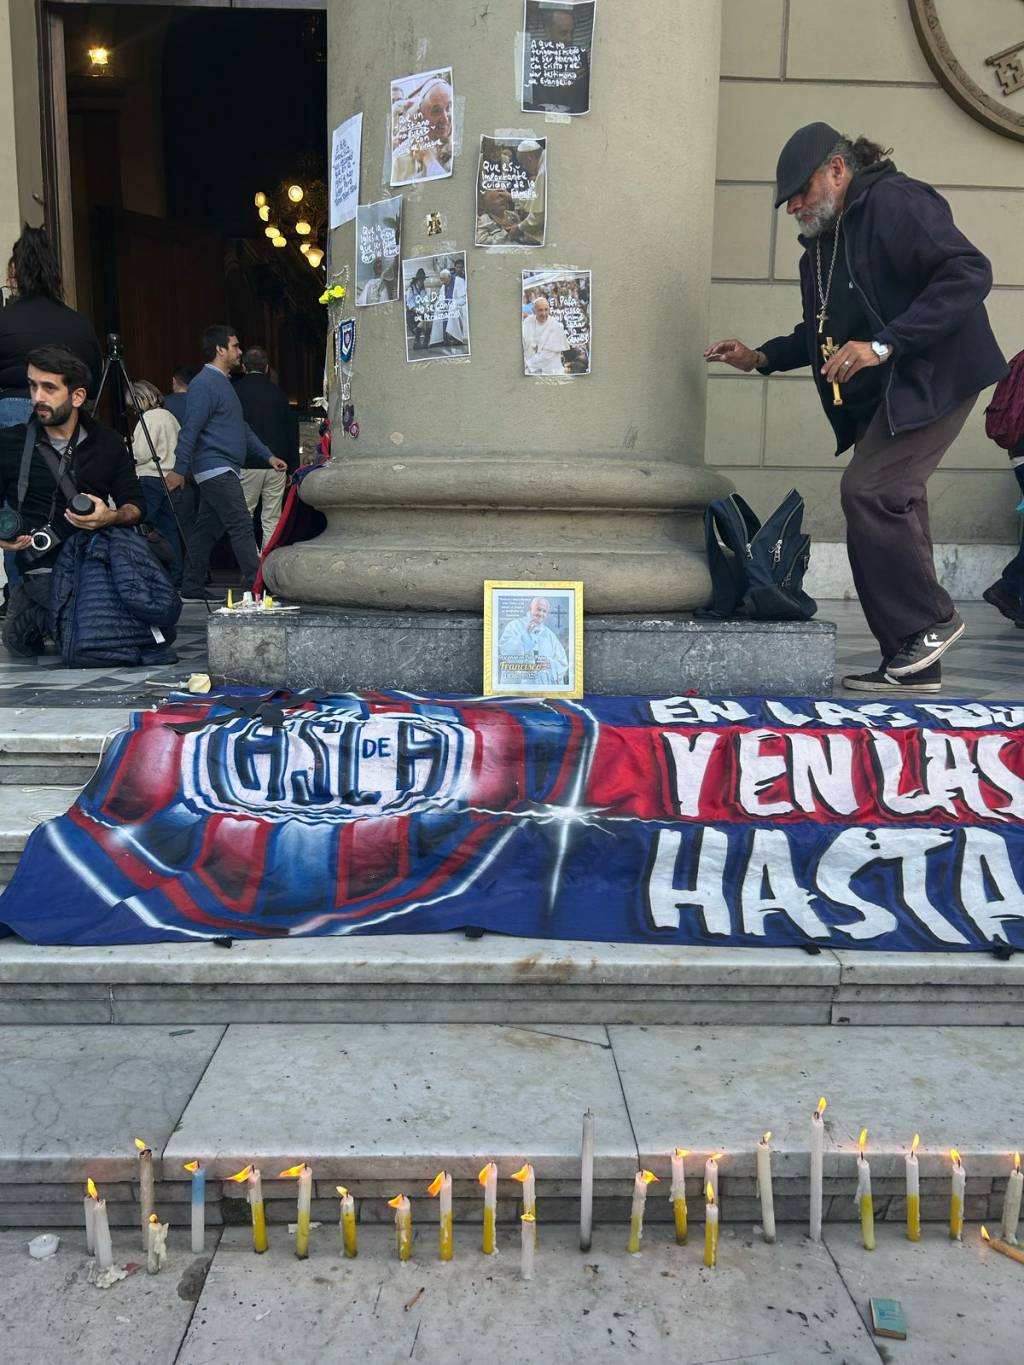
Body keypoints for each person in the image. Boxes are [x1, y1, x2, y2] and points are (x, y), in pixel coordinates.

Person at [705, 123, 1007, 693]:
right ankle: (913, 661)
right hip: (891, 391)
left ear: (839, 170)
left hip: (937, 373)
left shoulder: (894, 202)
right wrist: (759, 356)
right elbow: (816, 333)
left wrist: (884, 343)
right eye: (786, 199)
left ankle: (931, 621)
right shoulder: (820, 252)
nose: (792, 205)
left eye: (801, 189)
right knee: (897, 498)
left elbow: (969, 271)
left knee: (871, 490)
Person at [0, 346, 144, 656]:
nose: (37, 397)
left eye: (49, 388)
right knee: (23, 644)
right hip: (40, 570)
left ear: (77, 397)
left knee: (101, 638)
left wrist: (110, 517)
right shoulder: (10, 443)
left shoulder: (108, 443)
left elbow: (136, 507)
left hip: (96, 565)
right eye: (32, 385)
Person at [165, 325, 287, 602]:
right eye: (234, 346)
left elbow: (240, 427)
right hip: (216, 468)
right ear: (220, 350)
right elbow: (190, 429)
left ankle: (192, 585)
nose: (239, 351)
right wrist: (179, 470)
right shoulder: (204, 384)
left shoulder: (222, 383)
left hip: (221, 467)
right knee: (241, 523)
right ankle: (258, 587)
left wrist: (268, 455)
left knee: (206, 530)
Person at [0, 227, 102, 428]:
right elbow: (94, 384)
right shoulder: (80, 324)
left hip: (10, 412)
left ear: (15, 270)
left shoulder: (4, 319)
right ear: (55, 271)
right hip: (65, 414)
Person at [234, 345, 296, 547]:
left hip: (246, 464)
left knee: (244, 518)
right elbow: (290, 432)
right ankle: (266, 566)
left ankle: (250, 565)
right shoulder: (279, 394)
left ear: (243, 367)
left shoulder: (235, 392)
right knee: (272, 519)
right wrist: (292, 468)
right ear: (267, 368)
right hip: (277, 465)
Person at [127, 380, 183, 587]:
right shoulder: (170, 417)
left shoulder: (147, 418)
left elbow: (141, 453)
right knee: (170, 530)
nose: (133, 409)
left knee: (141, 526)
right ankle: (177, 574)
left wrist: (126, 451)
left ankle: (147, 574)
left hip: (149, 477)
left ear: (140, 399)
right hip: (169, 479)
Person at [391, 76, 453, 182]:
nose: (445, 119)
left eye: (449, 107)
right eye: (436, 111)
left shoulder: (457, 142)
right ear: (421, 115)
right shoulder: (400, 159)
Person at [499, 596, 569, 688]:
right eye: (538, 609)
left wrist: (550, 664)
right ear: (530, 608)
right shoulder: (514, 626)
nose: (541, 614)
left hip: (543, 689)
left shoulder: (549, 635)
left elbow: (562, 662)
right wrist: (524, 636)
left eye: (544, 611)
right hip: (518, 688)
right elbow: (505, 651)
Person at [523, 295, 569, 375]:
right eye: (540, 310)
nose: (544, 313)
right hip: (530, 370)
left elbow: (548, 355)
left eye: (546, 310)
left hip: (551, 371)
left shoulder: (556, 326)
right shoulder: (528, 322)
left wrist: (527, 364)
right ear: (534, 311)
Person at [428, 268, 468, 349]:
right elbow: (441, 299)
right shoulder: (444, 286)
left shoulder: (459, 281)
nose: (442, 283)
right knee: (438, 310)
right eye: (441, 280)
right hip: (448, 306)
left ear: (449, 277)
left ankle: (454, 337)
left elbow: (464, 298)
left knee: (452, 309)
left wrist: (453, 303)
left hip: (459, 306)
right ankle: (438, 339)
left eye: (444, 280)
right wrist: (439, 305)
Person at [405, 268, 430, 351]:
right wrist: (419, 311)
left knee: (429, 319)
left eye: (423, 280)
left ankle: (426, 342)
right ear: (417, 280)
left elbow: (425, 301)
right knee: (423, 320)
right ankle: (416, 342)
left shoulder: (423, 290)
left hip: (421, 312)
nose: (421, 282)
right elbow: (410, 305)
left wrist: (426, 308)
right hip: (412, 314)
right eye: (420, 280)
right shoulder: (411, 289)